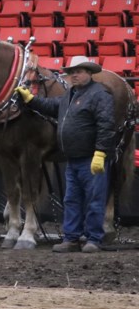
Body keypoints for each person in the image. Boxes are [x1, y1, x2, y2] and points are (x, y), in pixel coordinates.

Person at [15, 55, 115, 253]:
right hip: (73, 158)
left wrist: (101, 152)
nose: (73, 75)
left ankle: (94, 238)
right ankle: (72, 237)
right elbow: (52, 107)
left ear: (89, 73)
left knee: (94, 198)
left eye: (78, 71)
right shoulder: (71, 95)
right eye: (71, 72)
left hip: (91, 158)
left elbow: (106, 125)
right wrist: (31, 100)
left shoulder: (100, 94)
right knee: (71, 199)